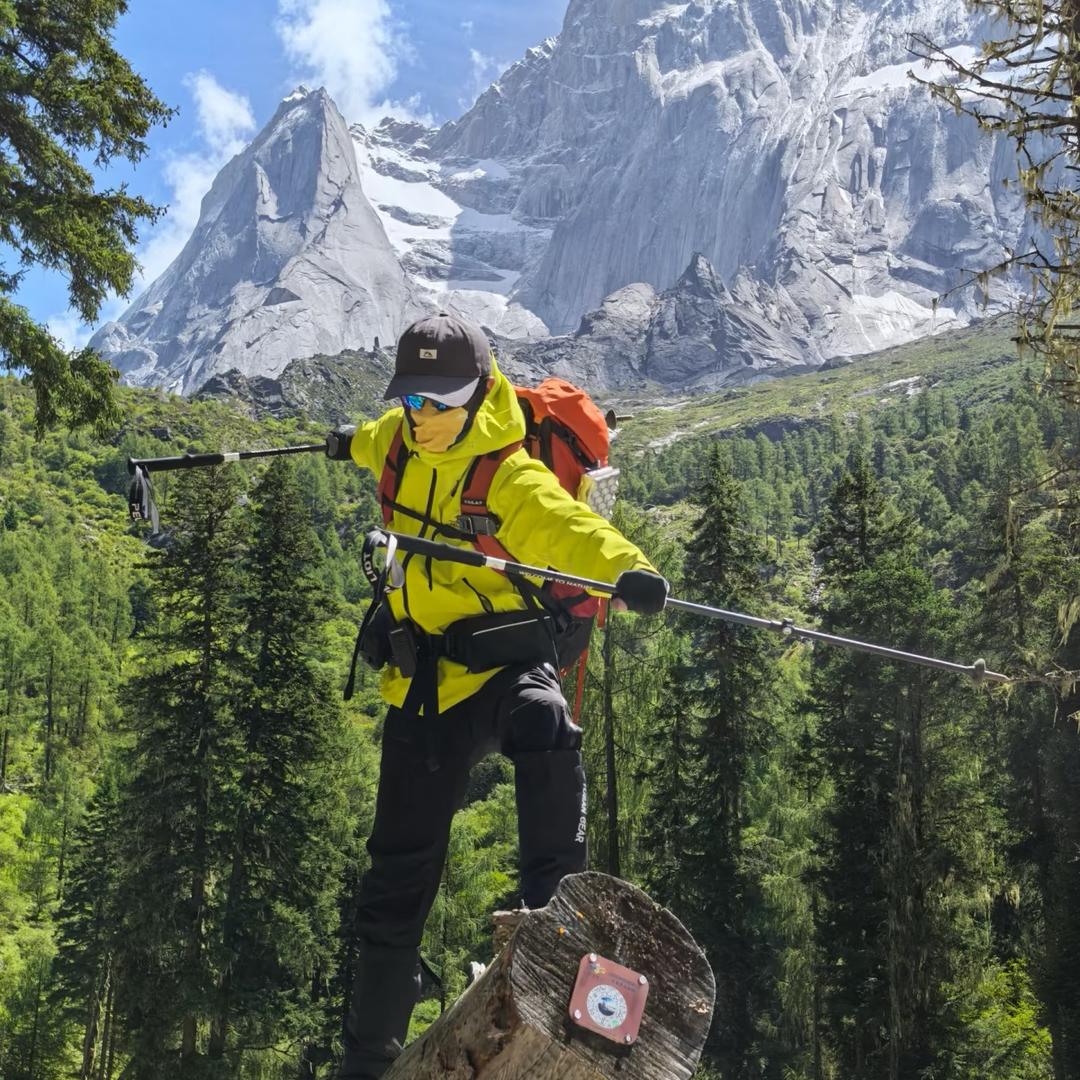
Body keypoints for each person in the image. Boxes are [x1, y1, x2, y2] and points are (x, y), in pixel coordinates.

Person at [328, 312, 668, 1079]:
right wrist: (341, 441)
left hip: (504, 667)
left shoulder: (509, 475)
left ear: (479, 394)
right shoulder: (399, 435)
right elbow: (369, 439)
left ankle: (556, 923)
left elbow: (570, 530)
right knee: (394, 877)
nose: (424, 417)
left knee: (545, 722)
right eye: (413, 400)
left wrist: (630, 570)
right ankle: (368, 1055)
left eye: (439, 401)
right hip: (421, 686)